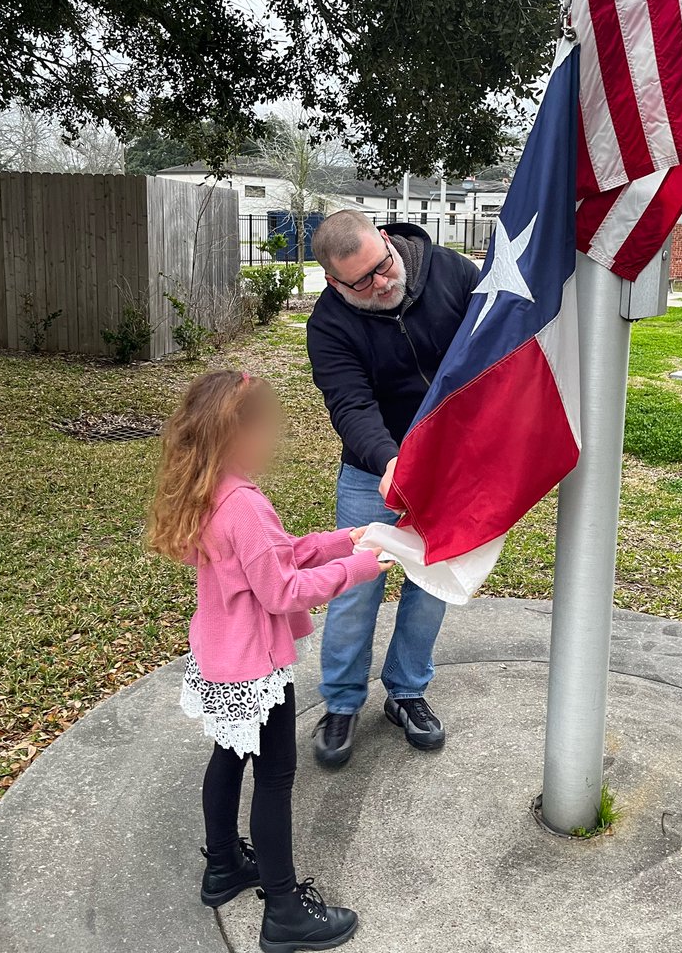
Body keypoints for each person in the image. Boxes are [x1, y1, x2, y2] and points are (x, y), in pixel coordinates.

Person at [147, 369, 389, 951]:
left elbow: (272, 559)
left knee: (227, 761)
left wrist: (342, 540)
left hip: (219, 661)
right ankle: (284, 910)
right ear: (235, 434)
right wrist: (356, 570)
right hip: (255, 669)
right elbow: (281, 589)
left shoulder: (210, 490)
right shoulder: (244, 505)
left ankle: (224, 866)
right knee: (277, 779)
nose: (271, 440)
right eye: (264, 428)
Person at [306, 209, 480, 767]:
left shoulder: (453, 273)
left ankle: (406, 693)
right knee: (355, 590)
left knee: (432, 583)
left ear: (385, 240)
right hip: (371, 472)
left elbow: (501, 342)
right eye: (362, 281)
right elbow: (350, 404)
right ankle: (341, 702)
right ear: (335, 282)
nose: (382, 283)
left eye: (383, 266)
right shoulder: (329, 324)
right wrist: (390, 459)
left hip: (452, 467)